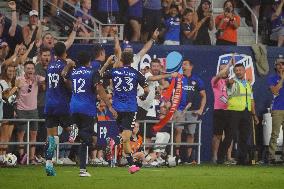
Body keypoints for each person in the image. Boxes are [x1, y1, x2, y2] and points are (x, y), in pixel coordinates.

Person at [65, 51, 116, 177]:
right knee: (85, 140)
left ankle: (74, 129)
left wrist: (69, 66)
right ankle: (82, 170)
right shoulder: (92, 72)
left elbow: (64, 75)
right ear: (89, 61)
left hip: (74, 106)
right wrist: (109, 106)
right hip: (87, 108)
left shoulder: (74, 72)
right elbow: (99, 88)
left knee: (87, 138)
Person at [102, 51, 149, 174]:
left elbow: (100, 75)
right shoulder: (136, 73)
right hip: (129, 108)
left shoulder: (114, 71)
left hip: (117, 108)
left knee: (126, 139)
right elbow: (146, 89)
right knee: (125, 137)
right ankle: (114, 141)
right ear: (132, 61)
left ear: (121, 60)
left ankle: (132, 165)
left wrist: (107, 63)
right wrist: (144, 96)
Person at [220, 63, 259, 165]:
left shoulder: (248, 84)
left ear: (244, 71)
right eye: (236, 70)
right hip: (233, 112)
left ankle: (241, 160)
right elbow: (228, 83)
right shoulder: (233, 82)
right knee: (230, 136)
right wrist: (229, 82)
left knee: (244, 137)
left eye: (240, 70)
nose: (238, 72)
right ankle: (220, 158)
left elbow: (251, 100)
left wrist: (254, 115)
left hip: (246, 112)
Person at [44, 42, 73, 176]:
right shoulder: (65, 66)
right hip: (61, 104)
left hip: (49, 104)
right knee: (73, 129)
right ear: (65, 52)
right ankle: (73, 135)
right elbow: (69, 85)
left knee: (51, 137)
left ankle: (49, 164)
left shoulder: (50, 66)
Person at [173, 59, 206, 164]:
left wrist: (201, 109)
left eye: (185, 64)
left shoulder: (197, 80)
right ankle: (177, 155)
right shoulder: (178, 79)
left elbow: (204, 96)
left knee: (191, 133)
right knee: (178, 130)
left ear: (191, 67)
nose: (183, 66)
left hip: (193, 111)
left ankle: (188, 158)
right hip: (179, 110)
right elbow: (170, 91)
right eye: (182, 64)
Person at [15, 61, 45, 165]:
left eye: (32, 68)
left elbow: (46, 81)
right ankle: (22, 158)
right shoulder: (19, 79)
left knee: (33, 135)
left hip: (33, 110)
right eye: (28, 68)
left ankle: (32, 158)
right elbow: (14, 94)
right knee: (21, 135)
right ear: (24, 69)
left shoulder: (37, 78)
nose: (30, 70)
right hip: (21, 110)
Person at [211, 57, 235, 164]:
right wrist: (229, 64)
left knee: (229, 135)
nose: (223, 70)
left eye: (225, 69)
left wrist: (232, 66)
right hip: (219, 110)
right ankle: (215, 156)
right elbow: (219, 75)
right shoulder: (215, 80)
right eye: (221, 69)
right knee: (218, 135)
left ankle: (228, 156)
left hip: (231, 110)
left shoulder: (231, 81)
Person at [268, 55, 284, 163]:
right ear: (276, 66)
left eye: (283, 64)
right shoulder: (272, 78)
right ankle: (271, 157)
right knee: (275, 134)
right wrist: (282, 79)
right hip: (278, 109)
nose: (281, 66)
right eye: (279, 64)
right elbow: (274, 91)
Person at [0, 65, 17, 163]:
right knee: (3, 136)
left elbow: (12, 99)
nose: (11, 73)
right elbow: (6, 96)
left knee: (8, 136)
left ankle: (4, 156)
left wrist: (14, 110)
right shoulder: (2, 82)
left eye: (13, 71)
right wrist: (16, 87)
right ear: (5, 72)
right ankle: (1, 156)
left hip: (10, 111)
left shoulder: (12, 82)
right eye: (9, 71)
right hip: (4, 111)